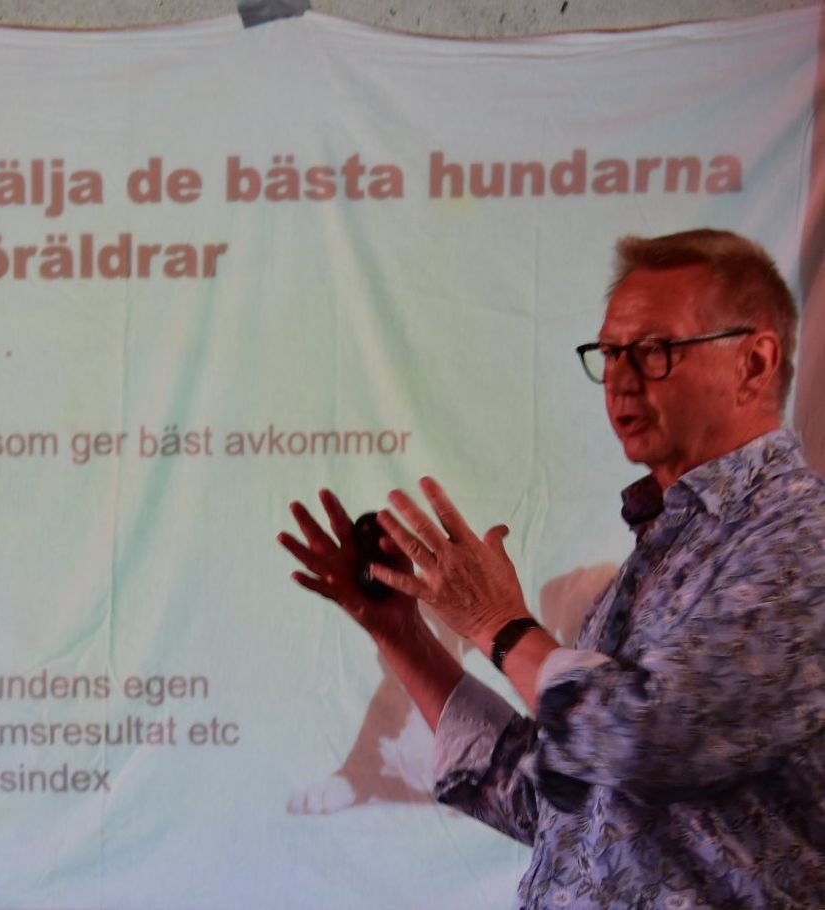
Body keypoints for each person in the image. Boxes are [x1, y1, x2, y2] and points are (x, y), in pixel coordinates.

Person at [278, 228, 825, 909]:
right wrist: (403, 636)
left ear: (754, 362)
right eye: (610, 352)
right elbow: (560, 807)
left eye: (654, 350)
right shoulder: (664, 549)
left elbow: (638, 740)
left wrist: (498, 623)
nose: (620, 378)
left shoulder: (801, 538)